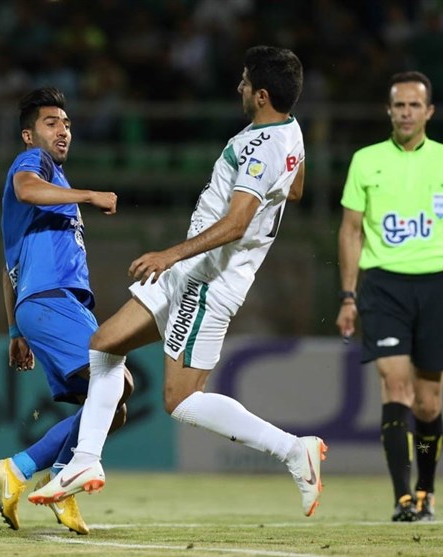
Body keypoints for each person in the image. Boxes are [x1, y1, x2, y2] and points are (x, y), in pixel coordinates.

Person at [30, 46, 328, 518]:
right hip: (191, 272)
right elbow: (295, 189)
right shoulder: (288, 131)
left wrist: (170, 254)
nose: (239, 87)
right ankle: (85, 460)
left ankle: (294, 450)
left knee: (181, 399)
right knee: (104, 345)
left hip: (207, 279)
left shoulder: (261, 147)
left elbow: (237, 223)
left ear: (262, 95)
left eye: (246, 81)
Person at [0, 87, 133, 535]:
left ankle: (44, 477)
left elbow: (8, 267)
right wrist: (89, 196)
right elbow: (25, 187)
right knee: (118, 382)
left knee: (112, 408)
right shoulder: (33, 164)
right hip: (50, 299)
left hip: (51, 304)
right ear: (29, 135)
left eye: (67, 123)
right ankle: (31, 469)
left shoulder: (54, 187)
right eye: (51, 123)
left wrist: (15, 330)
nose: (63, 130)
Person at [335, 71, 442, 522]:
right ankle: (402, 498)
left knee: (429, 402)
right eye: (399, 105)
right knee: (395, 386)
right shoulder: (366, 160)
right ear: (389, 110)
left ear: (429, 112)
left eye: (414, 105)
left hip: (436, 284)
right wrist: (348, 296)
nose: (406, 113)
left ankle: (425, 489)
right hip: (383, 286)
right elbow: (351, 231)